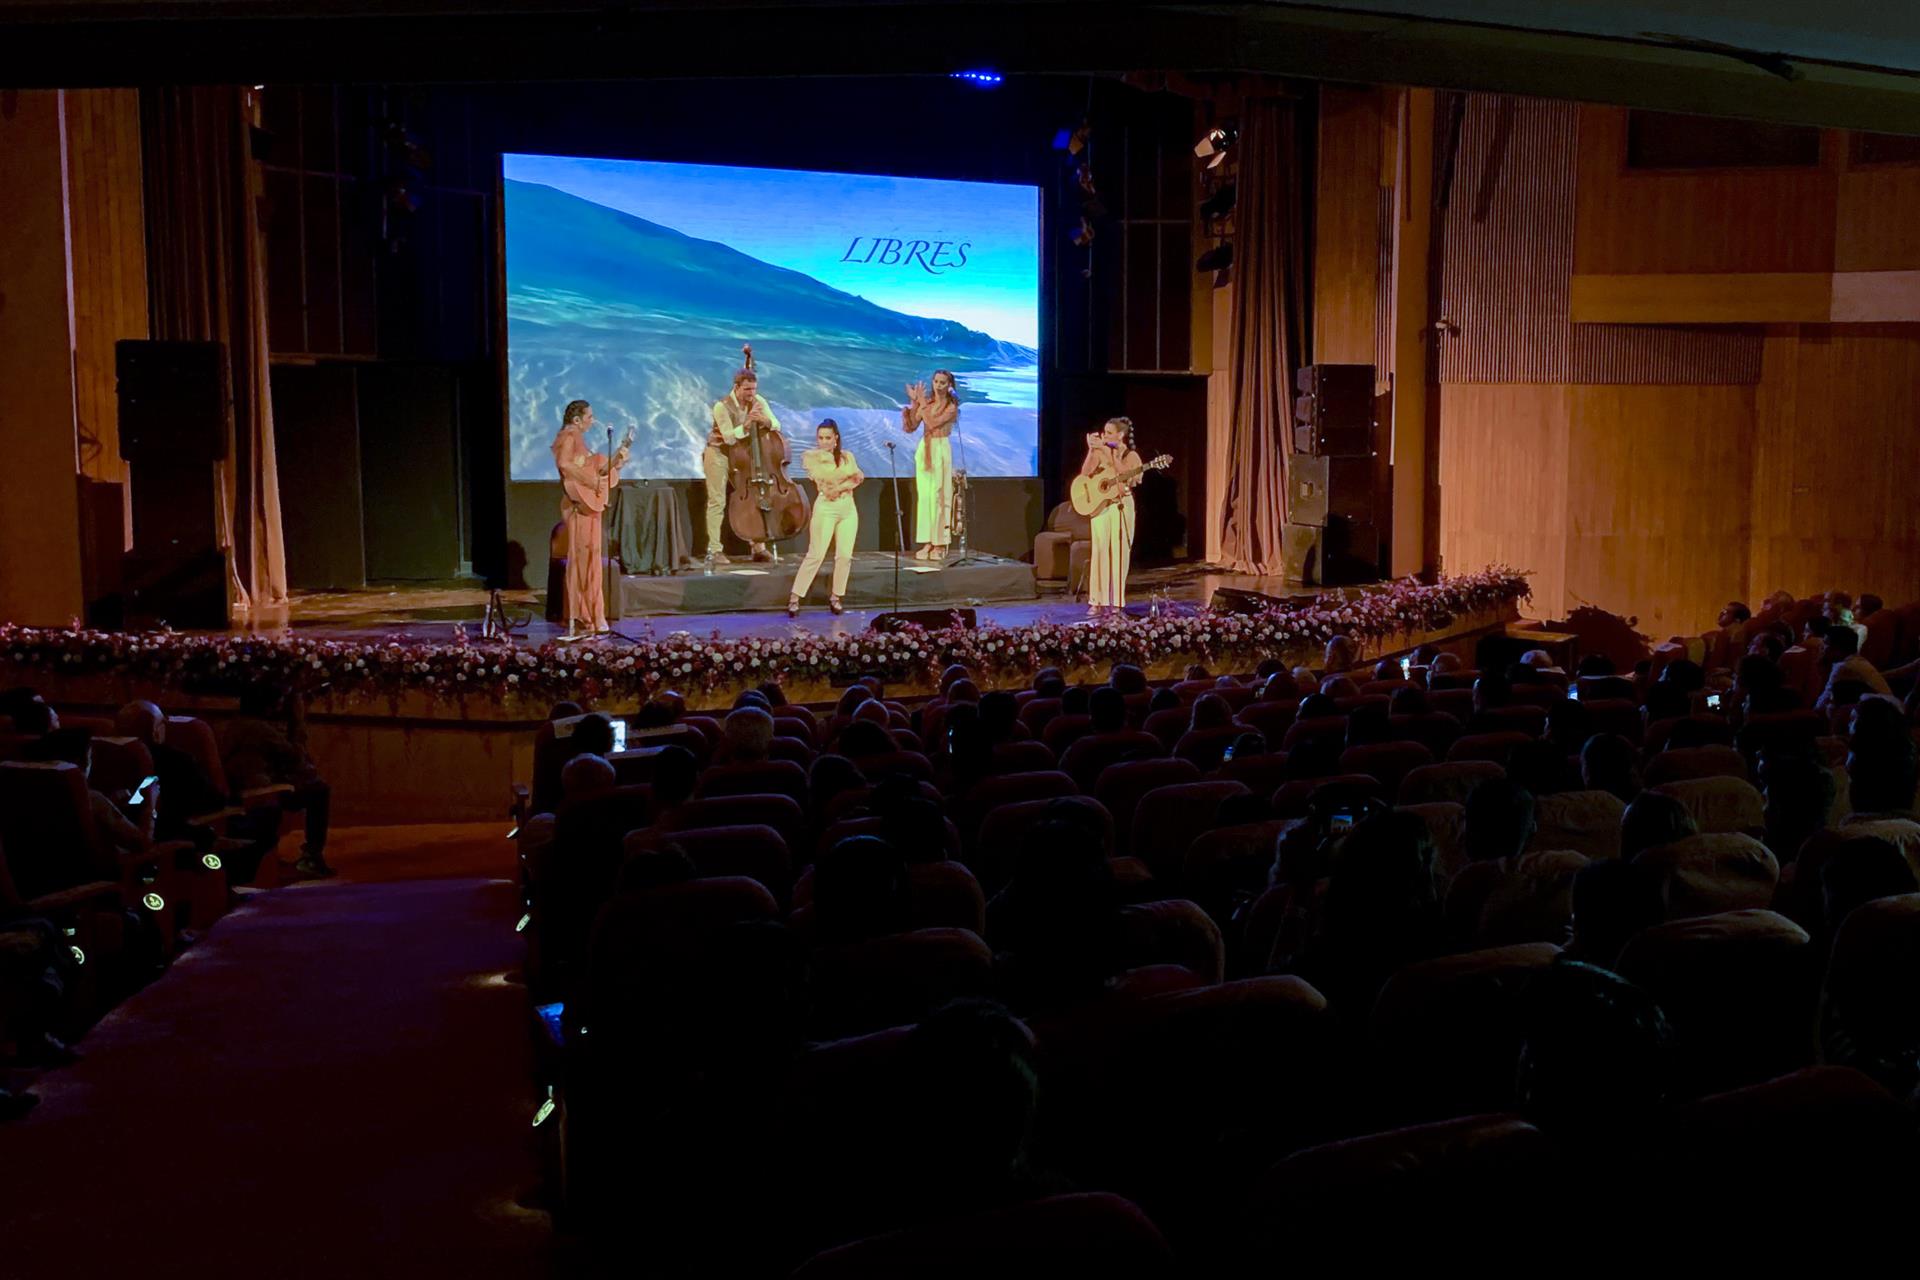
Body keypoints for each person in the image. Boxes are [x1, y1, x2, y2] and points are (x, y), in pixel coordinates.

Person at [220, 681, 334, 878]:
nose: (281, 707)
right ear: (268, 705)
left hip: (240, 791)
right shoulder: (259, 730)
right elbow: (296, 757)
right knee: (319, 790)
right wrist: (298, 720)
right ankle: (312, 857)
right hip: (258, 796)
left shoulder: (236, 725)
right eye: (279, 702)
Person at [550, 399, 630, 638]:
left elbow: (596, 470)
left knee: (592, 560)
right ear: (576, 420)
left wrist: (618, 460)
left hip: (588, 506)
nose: (592, 421)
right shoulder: (569, 436)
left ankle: (593, 614)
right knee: (583, 561)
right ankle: (586, 614)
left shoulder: (580, 441)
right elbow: (565, 465)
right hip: (577, 507)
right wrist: (590, 481)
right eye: (589, 417)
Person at [706, 360, 782, 563]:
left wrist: (765, 420)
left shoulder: (758, 400)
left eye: (754, 389)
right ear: (736, 387)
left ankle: (758, 546)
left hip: (743, 455)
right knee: (717, 501)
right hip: (719, 453)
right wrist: (747, 426)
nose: (751, 393)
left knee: (755, 496)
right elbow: (729, 438)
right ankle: (714, 550)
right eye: (747, 389)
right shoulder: (721, 407)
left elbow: (776, 424)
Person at [788, 420, 863, 617]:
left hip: (848, 508)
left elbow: (859, 477)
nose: (823, 442)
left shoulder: (848, 456)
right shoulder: (812, 457)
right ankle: (795, 596)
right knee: (816, 554)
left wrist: (841, 485)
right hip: (826, 508)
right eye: (820, 438)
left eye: (827, 438)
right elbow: (826, 481)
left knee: (845, 556)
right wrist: (847, 479)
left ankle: (836, 596)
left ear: (836, 439)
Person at [1080, 416, 1142, 615]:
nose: (1104, 435)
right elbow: (1085, 472)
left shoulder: (1131, 455)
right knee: (1099, 551)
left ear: (1120, 435)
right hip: (1100, 506)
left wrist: (1111, 454)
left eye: (1109, 433)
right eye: (1104, 432)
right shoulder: (1099, 452)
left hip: (1120, 505)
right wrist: (1092, 451)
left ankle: (1116, 602)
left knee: (1119, 553)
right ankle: (1096, 600)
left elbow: (1130, 477)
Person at [900, 369, 959, 562]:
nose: (938, 385)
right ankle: (927, 541)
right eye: (936, 381)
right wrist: (914, 402)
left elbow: (932, 422)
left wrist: (922, 403)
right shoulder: (929, 403)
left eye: (942, 382)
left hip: (940, 449)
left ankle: (940, 542)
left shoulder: (951, 407)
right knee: (925, 496)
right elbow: (911, 427)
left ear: (949, 385)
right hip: (925, 450)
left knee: (940, 496)